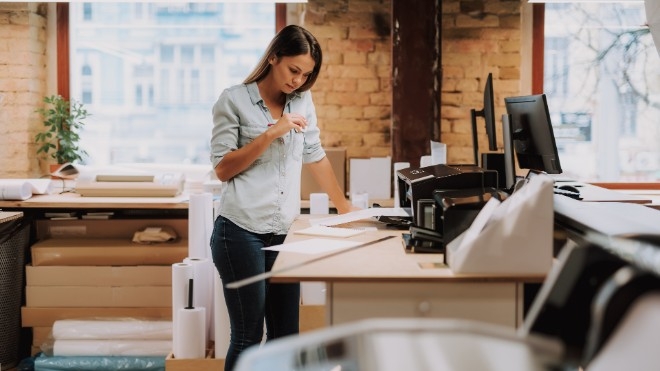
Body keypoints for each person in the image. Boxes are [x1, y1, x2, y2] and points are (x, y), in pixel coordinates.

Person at [209, 24, 355, 370]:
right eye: (294, 70)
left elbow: (315, 154)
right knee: (248, 337)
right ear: (273, 57)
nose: (298, 81)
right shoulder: (234, 100)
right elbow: (223, 169)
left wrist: (346, 207)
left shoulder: (302, 101)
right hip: (239, 231)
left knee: (286, 337)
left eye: (305, 75)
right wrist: (272, 133)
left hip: (282, 235)